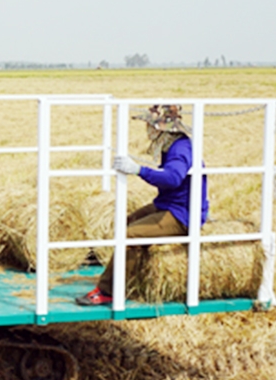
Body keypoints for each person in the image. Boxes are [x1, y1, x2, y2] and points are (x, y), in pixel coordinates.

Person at [76, 104, 209, 306]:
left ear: (160, 128)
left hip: (182, 214)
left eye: (149, 125)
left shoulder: (180, 149)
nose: (147, 129)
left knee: (130, 235)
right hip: (168, 204)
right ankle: (114, 266)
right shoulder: (170, 144)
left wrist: (139, 170)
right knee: (127, 222)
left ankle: (108, 291)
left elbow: (173, 178)